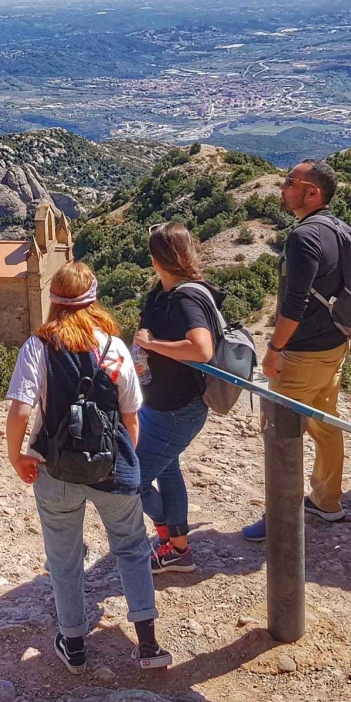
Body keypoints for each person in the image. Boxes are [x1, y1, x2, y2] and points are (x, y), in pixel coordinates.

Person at [5, 260, 172, 674]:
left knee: (64, 558)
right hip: (111, 470)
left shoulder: (38, 347)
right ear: (94, 300)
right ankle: (148, 644)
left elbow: (20, 410)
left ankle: (74, 645)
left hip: (55, 470)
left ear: (54, 299)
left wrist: (17, 456)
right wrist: (122, 460)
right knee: (132, 549)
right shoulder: (113, 347)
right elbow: (132, 417)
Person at [243, 159, 351, 540]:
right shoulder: (338, 229)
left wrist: (274, 349)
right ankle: (327, 501)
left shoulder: (304, 237)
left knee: (281, 431)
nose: (282, 188)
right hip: (335, 346)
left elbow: (295, 303)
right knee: (325, 422)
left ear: (312, 193)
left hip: (303, 353)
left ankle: (281, 518)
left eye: (289, 182)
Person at [132, 223, 218, 575]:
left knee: (129, 480)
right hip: (160, 405)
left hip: (177, 411)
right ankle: (178, 548)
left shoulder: (185, 298)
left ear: (156, 260)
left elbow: (202, 349)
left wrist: (151, 344)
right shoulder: (166, 292)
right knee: (168, 470)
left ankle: (171, 536)